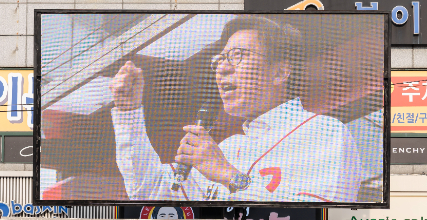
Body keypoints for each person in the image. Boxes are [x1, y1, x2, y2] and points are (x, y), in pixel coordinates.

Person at [110, 16, 363, 203]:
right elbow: (151, 191)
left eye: (238, 55)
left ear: (279, 72)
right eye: (219, 60)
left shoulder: (325, 131)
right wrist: (128, 112)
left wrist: (228, 175)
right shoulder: (227, 148)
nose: (222, 68)